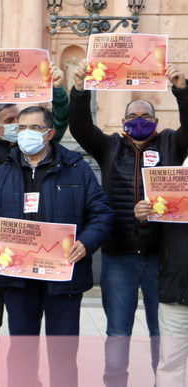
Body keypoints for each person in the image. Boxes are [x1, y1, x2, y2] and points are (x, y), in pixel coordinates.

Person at [70, 60, 188, 386]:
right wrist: (80, 90)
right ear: (123, 123)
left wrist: (181, 89)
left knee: (159, 332)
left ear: (157, 121)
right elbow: (80, 127)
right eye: (133, 117)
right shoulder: (109, 147)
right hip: (118, 252)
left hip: (160, 256)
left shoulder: (171, 144)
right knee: (118, 332)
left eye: (146, 117)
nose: (139, 121)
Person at [0, 106, 114, 387]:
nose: (26, 133)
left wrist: (86, 243)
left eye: (34, 128)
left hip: (62, 278)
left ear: (50, 133)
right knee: (21, 352)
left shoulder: (77, 168)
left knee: (62, 353)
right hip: (17, 278)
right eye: (21, 127)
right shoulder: (3, 171)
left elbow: (102, 214)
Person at [0, 63, 69, 385]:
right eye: (11, 123)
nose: (20, 131)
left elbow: (58, 123)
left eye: (23, 124)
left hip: (28, 251)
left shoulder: (39, 149)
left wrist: (58, 91)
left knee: (25, 327)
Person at [134, 162, 188, 386]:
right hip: (175, 292)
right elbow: (148, 242)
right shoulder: (168, 190)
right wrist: (144, 220)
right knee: (170, 367)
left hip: (174, 288)